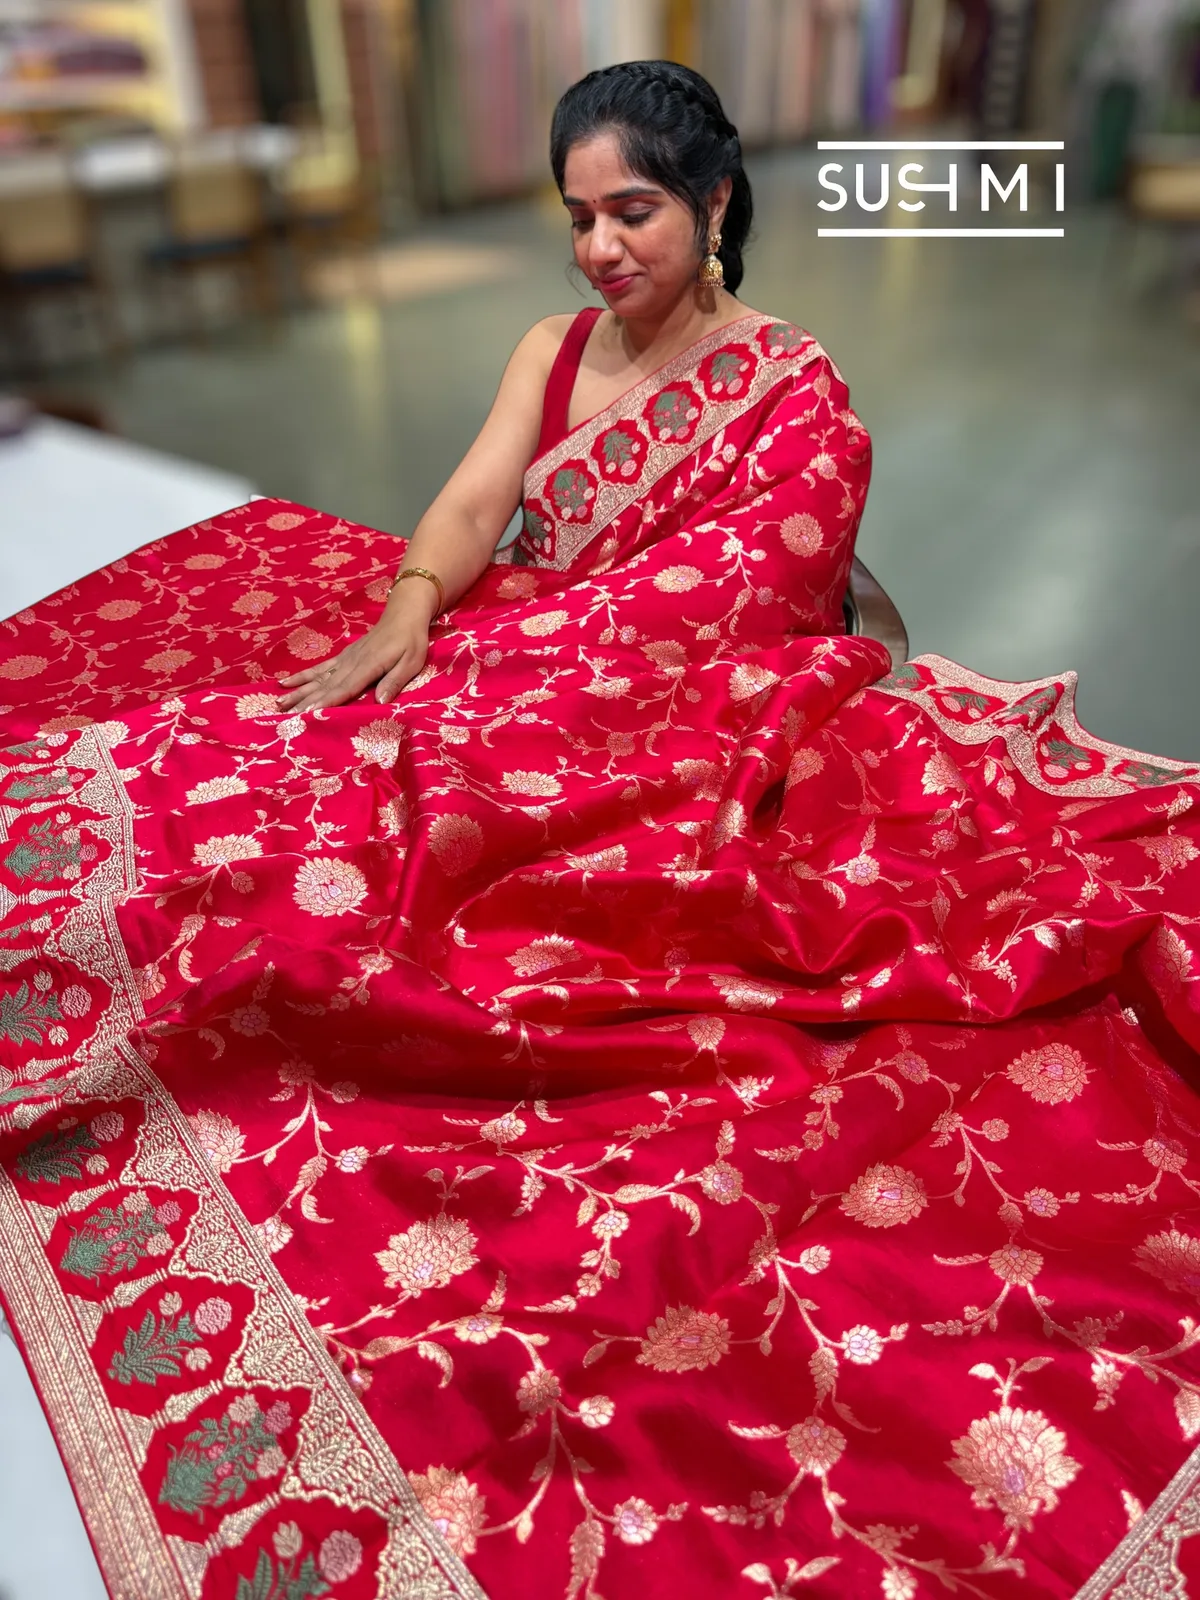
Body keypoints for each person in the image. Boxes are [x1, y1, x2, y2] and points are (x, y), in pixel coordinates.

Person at [0, 60, 1197, 1600]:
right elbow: (468, 502)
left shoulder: (798, 390)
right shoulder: (552, 350)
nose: (601, 248)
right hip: (537, 661)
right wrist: (419, 606)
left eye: (633, 209)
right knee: (275, 781)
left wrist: (547, 666)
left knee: (470, 877)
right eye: (579, 216)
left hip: (677, 702)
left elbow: (750, 607)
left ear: (713, 202)